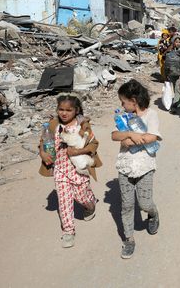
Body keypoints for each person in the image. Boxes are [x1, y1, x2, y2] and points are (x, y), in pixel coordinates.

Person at [38, 94, 102, 248]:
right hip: (60, 169)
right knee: (64, 199)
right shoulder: (53, 125)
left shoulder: (83, 126)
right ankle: (68, 231)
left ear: (76, 110)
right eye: (61, 109)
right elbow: (42, 142)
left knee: (82, 196)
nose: (64, 113)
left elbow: (94, 144)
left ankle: (90, 204)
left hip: (79, 169)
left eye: (68, 110)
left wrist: (78, 152)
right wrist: (43, 153)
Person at [113, 80, 162, 259]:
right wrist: (128, 134)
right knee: (126, 205)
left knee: (144, 203)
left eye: (123, 102)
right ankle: (129, 239)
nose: (122, 105)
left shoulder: (151, 115)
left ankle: (153, 213)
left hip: (145, 167)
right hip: (125, 167)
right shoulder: (122, 117)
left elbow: (153, 137)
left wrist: (130, 140)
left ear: (134, 101)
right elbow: (115, 135)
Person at [163, 36, 180, 114]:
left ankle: (174, 106)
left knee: (177, 88)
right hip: (173, 72)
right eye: (176, 42)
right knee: (176, 87)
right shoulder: (172, 51)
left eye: (179, 42)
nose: (177, 43)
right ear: (173, 43)